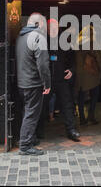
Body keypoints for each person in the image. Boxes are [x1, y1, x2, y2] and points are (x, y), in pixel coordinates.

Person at [37, 19, 81, 142]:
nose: (54, 29)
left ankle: (71, 130)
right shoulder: (42, 41)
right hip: (47, 81)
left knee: (68, 105)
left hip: (62, 80)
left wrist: (72, 70)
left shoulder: (65, 41)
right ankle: (38, 131)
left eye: (56, 27)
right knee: (41, 106)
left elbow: (73, 58)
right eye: (51, 27)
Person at [16, 13, 51, 155]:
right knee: (31, 114)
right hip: (33, 83)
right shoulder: (38, 37)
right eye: (44, 25)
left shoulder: (20, 36)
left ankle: (29, 138)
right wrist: (47, 84)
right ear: (40, 24)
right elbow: (43, 64)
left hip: (21, 82)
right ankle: (25, 146)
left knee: (27, 112)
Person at [75, 25, 101, 125]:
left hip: (80, 74)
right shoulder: (93, 43)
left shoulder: (77, 43)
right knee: (94, 95)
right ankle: (91, 116)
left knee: (81, 96)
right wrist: (100, 68)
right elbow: (99, 57)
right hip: (92, 74)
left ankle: (82, 118)